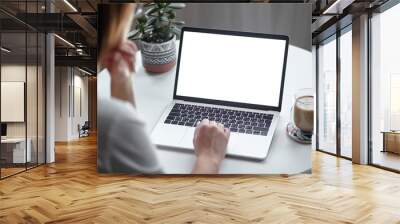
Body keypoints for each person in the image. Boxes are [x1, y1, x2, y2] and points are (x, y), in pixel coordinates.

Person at [97, 4, 230, 174]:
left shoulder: (111, 118)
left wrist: (121, 79)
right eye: (135, 10)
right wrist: (209, 157)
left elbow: (127, 153)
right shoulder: (112, 119)